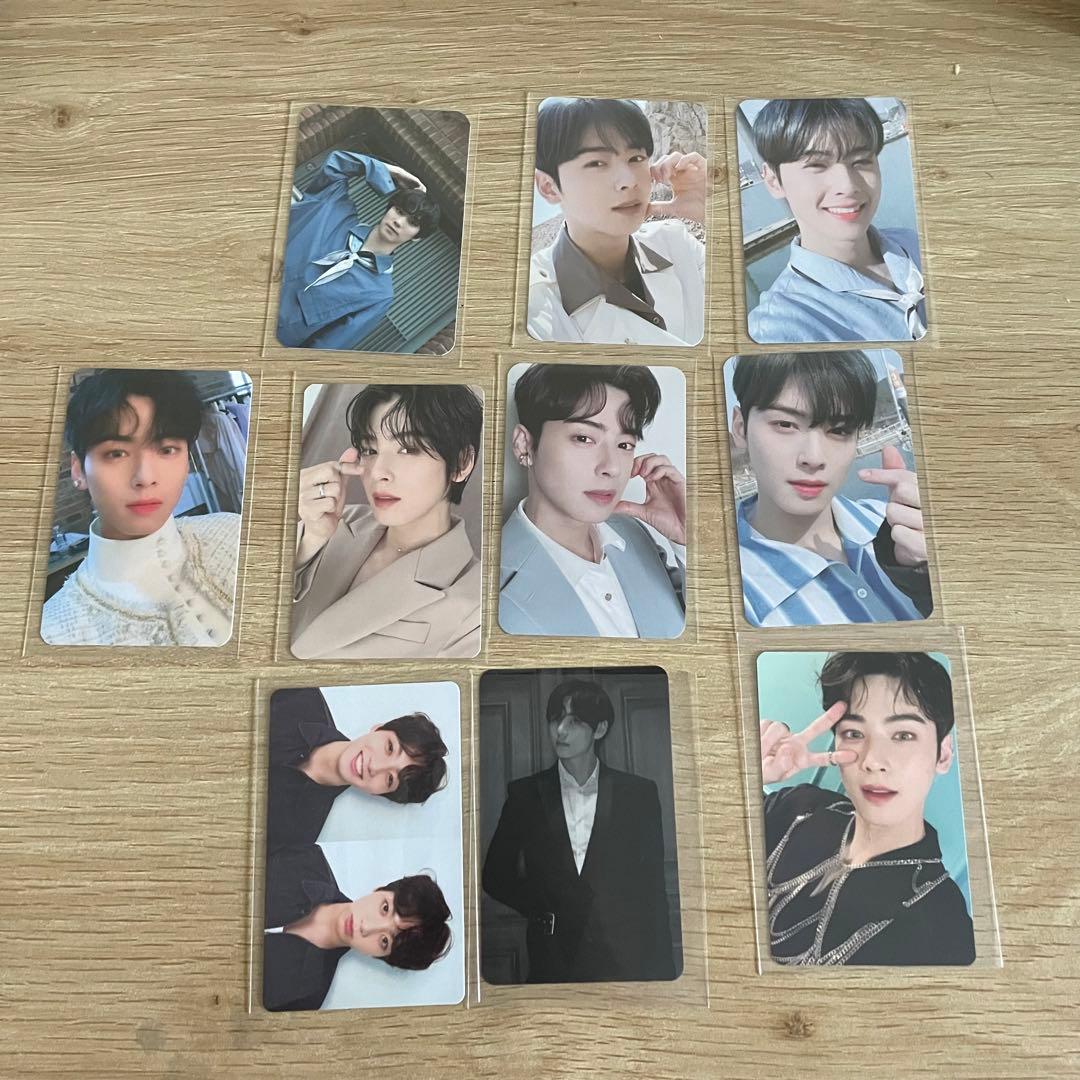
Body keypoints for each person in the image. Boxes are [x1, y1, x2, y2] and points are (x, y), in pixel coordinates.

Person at [760, 651, 975, 966]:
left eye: (903, 735)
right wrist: (743, 779)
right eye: (854, 734)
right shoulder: (796, 807)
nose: (873, 760)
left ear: (942, 755)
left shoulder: (946, 935)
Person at [482, 679, 676, 983]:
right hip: (554, 960)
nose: (560, 730)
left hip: (625, 960)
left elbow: (652, 887)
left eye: (574, 721)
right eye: (555, 718)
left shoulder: (638, 794)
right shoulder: (525, 795)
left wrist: (665, 976)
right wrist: (545, 907)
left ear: (600, 729)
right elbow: (495, 876)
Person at [41, 369, 242, 647]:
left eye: (167, 449)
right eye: (116, 453)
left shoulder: (235, 532)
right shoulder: (54, 632)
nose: (145, 477)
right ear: (78, 470)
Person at [730, 350, 931, 626]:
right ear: (740, 428)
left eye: (839, 430)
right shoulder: (731, 592)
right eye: (785, 424)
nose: (814, 458)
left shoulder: (899, 524)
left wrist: (924, 576)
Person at [291, 384, 482, 659]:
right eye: (370, 450)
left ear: (461, 463)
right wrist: (309, 542)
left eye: (407, 449)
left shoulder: (474, 602)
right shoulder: (332, 522)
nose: (378, 472)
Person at [499, 364, 685, 638]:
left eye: (624, 445)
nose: (612, 467)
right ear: (524, 444)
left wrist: (687, 540)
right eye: (584, 438)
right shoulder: (491, 583)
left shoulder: (632, 534)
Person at [528, 97, 706, 346]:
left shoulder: (676, 243)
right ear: (549, 187)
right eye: (597, 163)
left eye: (636, 158)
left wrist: (711, 211)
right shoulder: (533, 311)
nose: (629, 181)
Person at [747, 97, 926, 344]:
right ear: (773, 181)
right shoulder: (777, 328)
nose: (847, 186)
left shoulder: (915, 245)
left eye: (860, 161)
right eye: (817, 165)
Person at [276, 150, 441, 351]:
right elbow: (337, 165)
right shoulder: (335, 212)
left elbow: (326, 346)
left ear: (417, 237)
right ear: (388, 208)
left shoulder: (379, 294)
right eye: (399, 211)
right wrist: (391, 171)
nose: (399, 222)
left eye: (412, 222)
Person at [263, 844, 452, 1011]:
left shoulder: (310, 993)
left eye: (384, 941)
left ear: (379, 956)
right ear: (379, 890)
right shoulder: (305, 859)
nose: (366, 927)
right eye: (385, 908)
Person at [267, 687, 449, 848]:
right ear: (378, 728)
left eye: (390, 779)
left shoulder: (299, 833)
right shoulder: (299, 695)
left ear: (378, 793)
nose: (375, 767)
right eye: (390, 748)